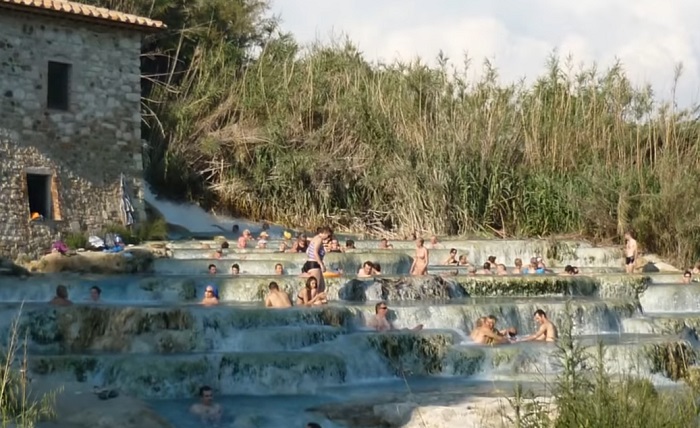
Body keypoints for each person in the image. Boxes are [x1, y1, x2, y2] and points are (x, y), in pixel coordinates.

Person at [302, 226, 332, 292]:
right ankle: (311, 302)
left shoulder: (314, 238)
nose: (328, 237)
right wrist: (321, 264)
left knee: (322, 287)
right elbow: (315, 252)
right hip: (314, 265)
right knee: (315, 288)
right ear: (324, 233)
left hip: (310, 263)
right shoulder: (319, 239)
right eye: (328, 235)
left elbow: (308, 251)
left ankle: (316, 300)